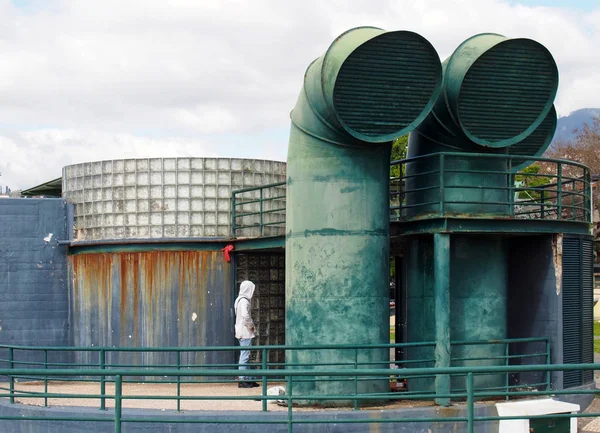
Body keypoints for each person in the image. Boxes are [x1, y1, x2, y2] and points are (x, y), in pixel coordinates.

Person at [234, 280, 259, 388]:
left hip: (241, 330)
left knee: (246, 355)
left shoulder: (239, 300)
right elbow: (245, 316)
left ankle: (248, 379)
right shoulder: (244, 301)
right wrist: (251, 326)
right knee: (245, 356)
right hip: (245, 331)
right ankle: (243, 380)